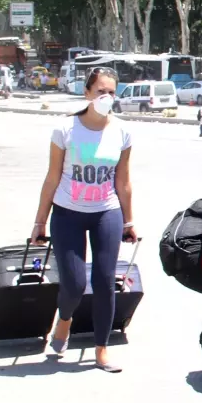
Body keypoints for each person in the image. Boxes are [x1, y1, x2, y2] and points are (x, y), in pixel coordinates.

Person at [29, 67, 137, 373]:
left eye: (111, 92)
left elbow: (124, 181)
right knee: (75, 284)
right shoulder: (65, 130)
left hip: (106, 212)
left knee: (104, 282)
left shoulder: (122, 132)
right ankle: (64, 319)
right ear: (87, 93)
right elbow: (51, 178)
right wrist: (39, 222)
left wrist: (129, 222)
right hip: (67, 214)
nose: (106, 97)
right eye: (100, 91)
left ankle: (100, 348)